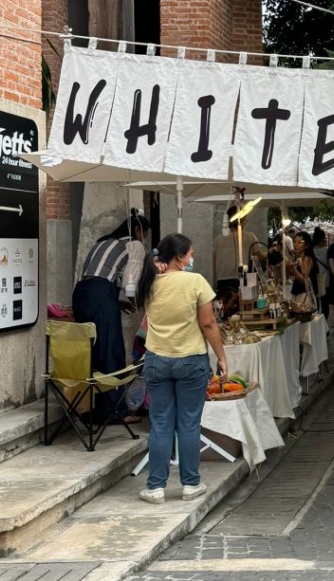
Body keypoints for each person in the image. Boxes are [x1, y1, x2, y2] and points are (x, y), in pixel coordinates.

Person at [134, 233, 228, 505]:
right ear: (179, 257)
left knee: (161, 424)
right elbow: (208, 324)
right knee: (188, 423)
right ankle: (190, 484)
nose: (191, 258)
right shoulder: (195, 281)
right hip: (191, 360)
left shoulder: (148, 281)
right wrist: (221, 356)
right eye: (190, 254)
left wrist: (155, 264)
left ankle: (155, 488)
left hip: (157, 360)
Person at [72, 210, 151, 424]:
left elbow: (96, 276)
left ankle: (93, 408)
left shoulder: (103, 242)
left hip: (81, 294)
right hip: (101, 294)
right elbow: (129, 283)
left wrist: (117, 302)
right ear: (137, 230)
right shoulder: (134, 245)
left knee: (93, 351)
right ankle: (116, 411)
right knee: (110, 350)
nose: (144, 239)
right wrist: (136, 301)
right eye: (144, 234)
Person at [212, 204, 256, 290]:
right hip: (243, 279)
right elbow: (259, 256)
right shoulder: (250, 237)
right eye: (245, 219)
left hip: (222, 279)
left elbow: (214, 261)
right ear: (242, 220)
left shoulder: (218, 239)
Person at [289, 231, 320, 310]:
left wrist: (294, 269)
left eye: (300, 242)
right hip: (302, 294)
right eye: (294, 242)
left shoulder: (306, 259)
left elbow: (304, 280)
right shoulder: (300, 259)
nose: (296, 244)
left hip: (304, 296)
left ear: (306, 245)